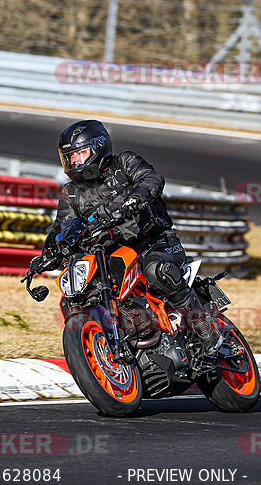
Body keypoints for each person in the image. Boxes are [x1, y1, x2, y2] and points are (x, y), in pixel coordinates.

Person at [33, 119, 222, 355]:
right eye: (70, 157)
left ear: (98, 147)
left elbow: (152, 180)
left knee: (156, 271)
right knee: (77, 293)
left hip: (154, 241)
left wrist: (130, 201)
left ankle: (205, 330)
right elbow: (62, 226)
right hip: (114, 254)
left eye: (80, 154)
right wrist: (48, 251)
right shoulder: (71, 192)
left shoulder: (124, 164)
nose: (75, 161)